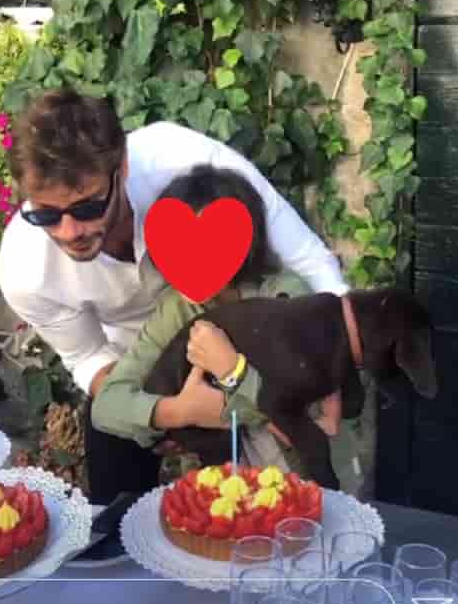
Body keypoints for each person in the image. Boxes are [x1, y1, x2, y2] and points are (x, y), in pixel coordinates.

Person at [0, 89, 349, 504]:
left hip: (253, 336)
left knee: (296, 484)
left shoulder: (186, 162)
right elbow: (88, 357)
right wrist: (171, 412)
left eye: (87, 207)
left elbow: (308, 260)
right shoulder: (25, 270)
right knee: (113, 463)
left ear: (122, 167)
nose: (68, 232)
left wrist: (333, 365)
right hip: (141, 357)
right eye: (45, 214)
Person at [90, 165, 343, 475]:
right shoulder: (178, 308)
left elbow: (309, 411)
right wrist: (180, 411)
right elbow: (107, 405)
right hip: (222, 483)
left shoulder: (285, 297)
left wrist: (233, 372)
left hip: (302, 478)